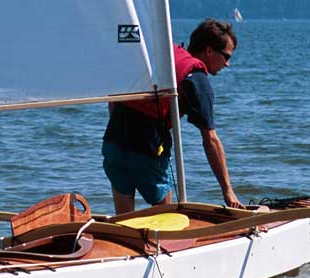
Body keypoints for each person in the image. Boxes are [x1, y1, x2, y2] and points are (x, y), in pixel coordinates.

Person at [102, 19, 245, 214]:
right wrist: (228, 191)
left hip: (114, 141)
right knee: (165, 215)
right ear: (209, 51)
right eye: (226, 57)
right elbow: (210, 138)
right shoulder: (197, 79)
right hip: (147, 147)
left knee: (124, 218)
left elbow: (115, 96)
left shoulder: (164, 55)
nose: (227, 64)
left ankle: (123, 239)